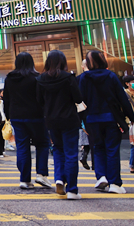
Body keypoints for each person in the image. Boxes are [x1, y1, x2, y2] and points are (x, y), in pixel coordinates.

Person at [78, 50, 134, 194]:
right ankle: (114, 183)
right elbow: (123, 98)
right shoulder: (111, 76)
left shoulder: (84, 78)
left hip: (91, 120)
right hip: (111, 119)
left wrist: (81, 121)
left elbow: (80, 101)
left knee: (97, 149)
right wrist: (133, 118)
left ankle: (101, 176)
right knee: (112, 150)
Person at [37, 50, 83, 199]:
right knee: (70, 152)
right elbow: (78, 98)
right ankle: (72, 189)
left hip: (51, 120)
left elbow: (39, 101)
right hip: (69, 119)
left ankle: (59, 179)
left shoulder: (41, 79)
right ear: (63, 62)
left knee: (57, 150)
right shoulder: (68, 77)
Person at [4, 52, 51, 188]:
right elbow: (42, 98)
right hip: (36, 116)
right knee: (42, 144)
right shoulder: (37, 77)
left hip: (17, 117)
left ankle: (24, 180)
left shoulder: (9, 78)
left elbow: (6, 99)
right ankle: (41, 174)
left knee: (22, 146)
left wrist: (8, 116)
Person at [123, 75, 134, 174]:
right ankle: (133, 166)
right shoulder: (124, 94)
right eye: (133, 82)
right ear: (127, 84)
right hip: (131, 122)